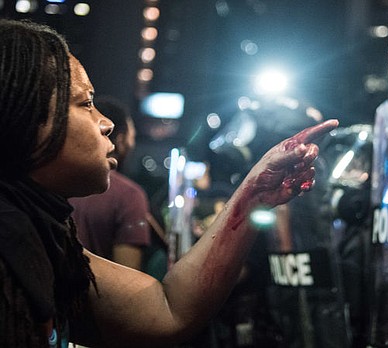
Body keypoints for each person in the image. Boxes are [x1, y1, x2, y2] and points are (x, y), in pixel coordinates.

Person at [0, 19, 338, 347]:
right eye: (85, 104)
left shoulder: (42, 238)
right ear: (23, 114)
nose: (105, 123)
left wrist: (255, 192)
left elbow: (166, 311)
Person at [69, 96, 151, 270]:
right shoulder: (129, 195)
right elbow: (128, 275)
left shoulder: (61, 181)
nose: (132, 144)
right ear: (119, 140)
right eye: (132, 136)